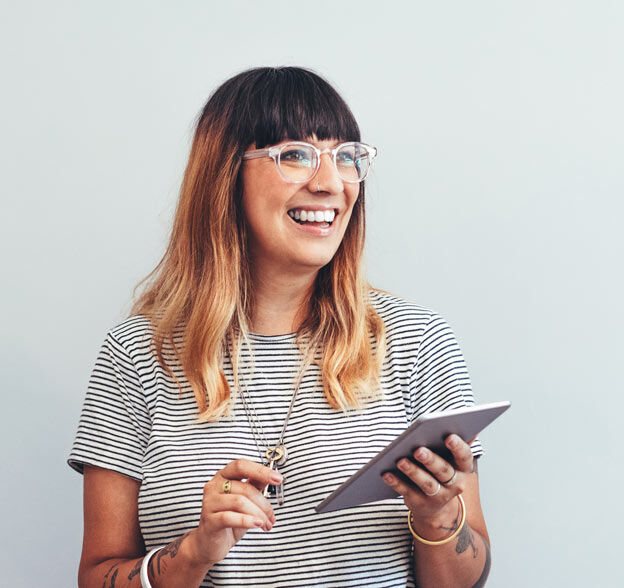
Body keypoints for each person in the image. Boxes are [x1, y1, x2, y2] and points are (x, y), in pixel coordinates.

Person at [66, 66, 493, 588]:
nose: (330, 182)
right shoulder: (137, 353)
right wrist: (193, 553)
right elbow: (97, 575)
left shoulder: (417, 341)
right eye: (295, 154)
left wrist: (438, 517)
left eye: (346, 157)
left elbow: (466, 580)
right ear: (225, 176)